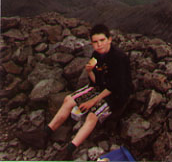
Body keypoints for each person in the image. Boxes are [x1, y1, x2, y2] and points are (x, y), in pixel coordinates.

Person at [17, 24, 134, 160]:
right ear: (92, 43)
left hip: (117, 94)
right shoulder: (96, 54)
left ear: (109, 39)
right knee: (68, 100)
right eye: (95, 42)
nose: (99, 45)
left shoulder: (118, 58)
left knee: (92, 115)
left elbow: (115, 87)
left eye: (102, 40)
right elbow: (96, 82)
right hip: (100, 87)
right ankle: (45, 134)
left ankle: (69, 150)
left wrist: (91, 101)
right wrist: (90, 71)